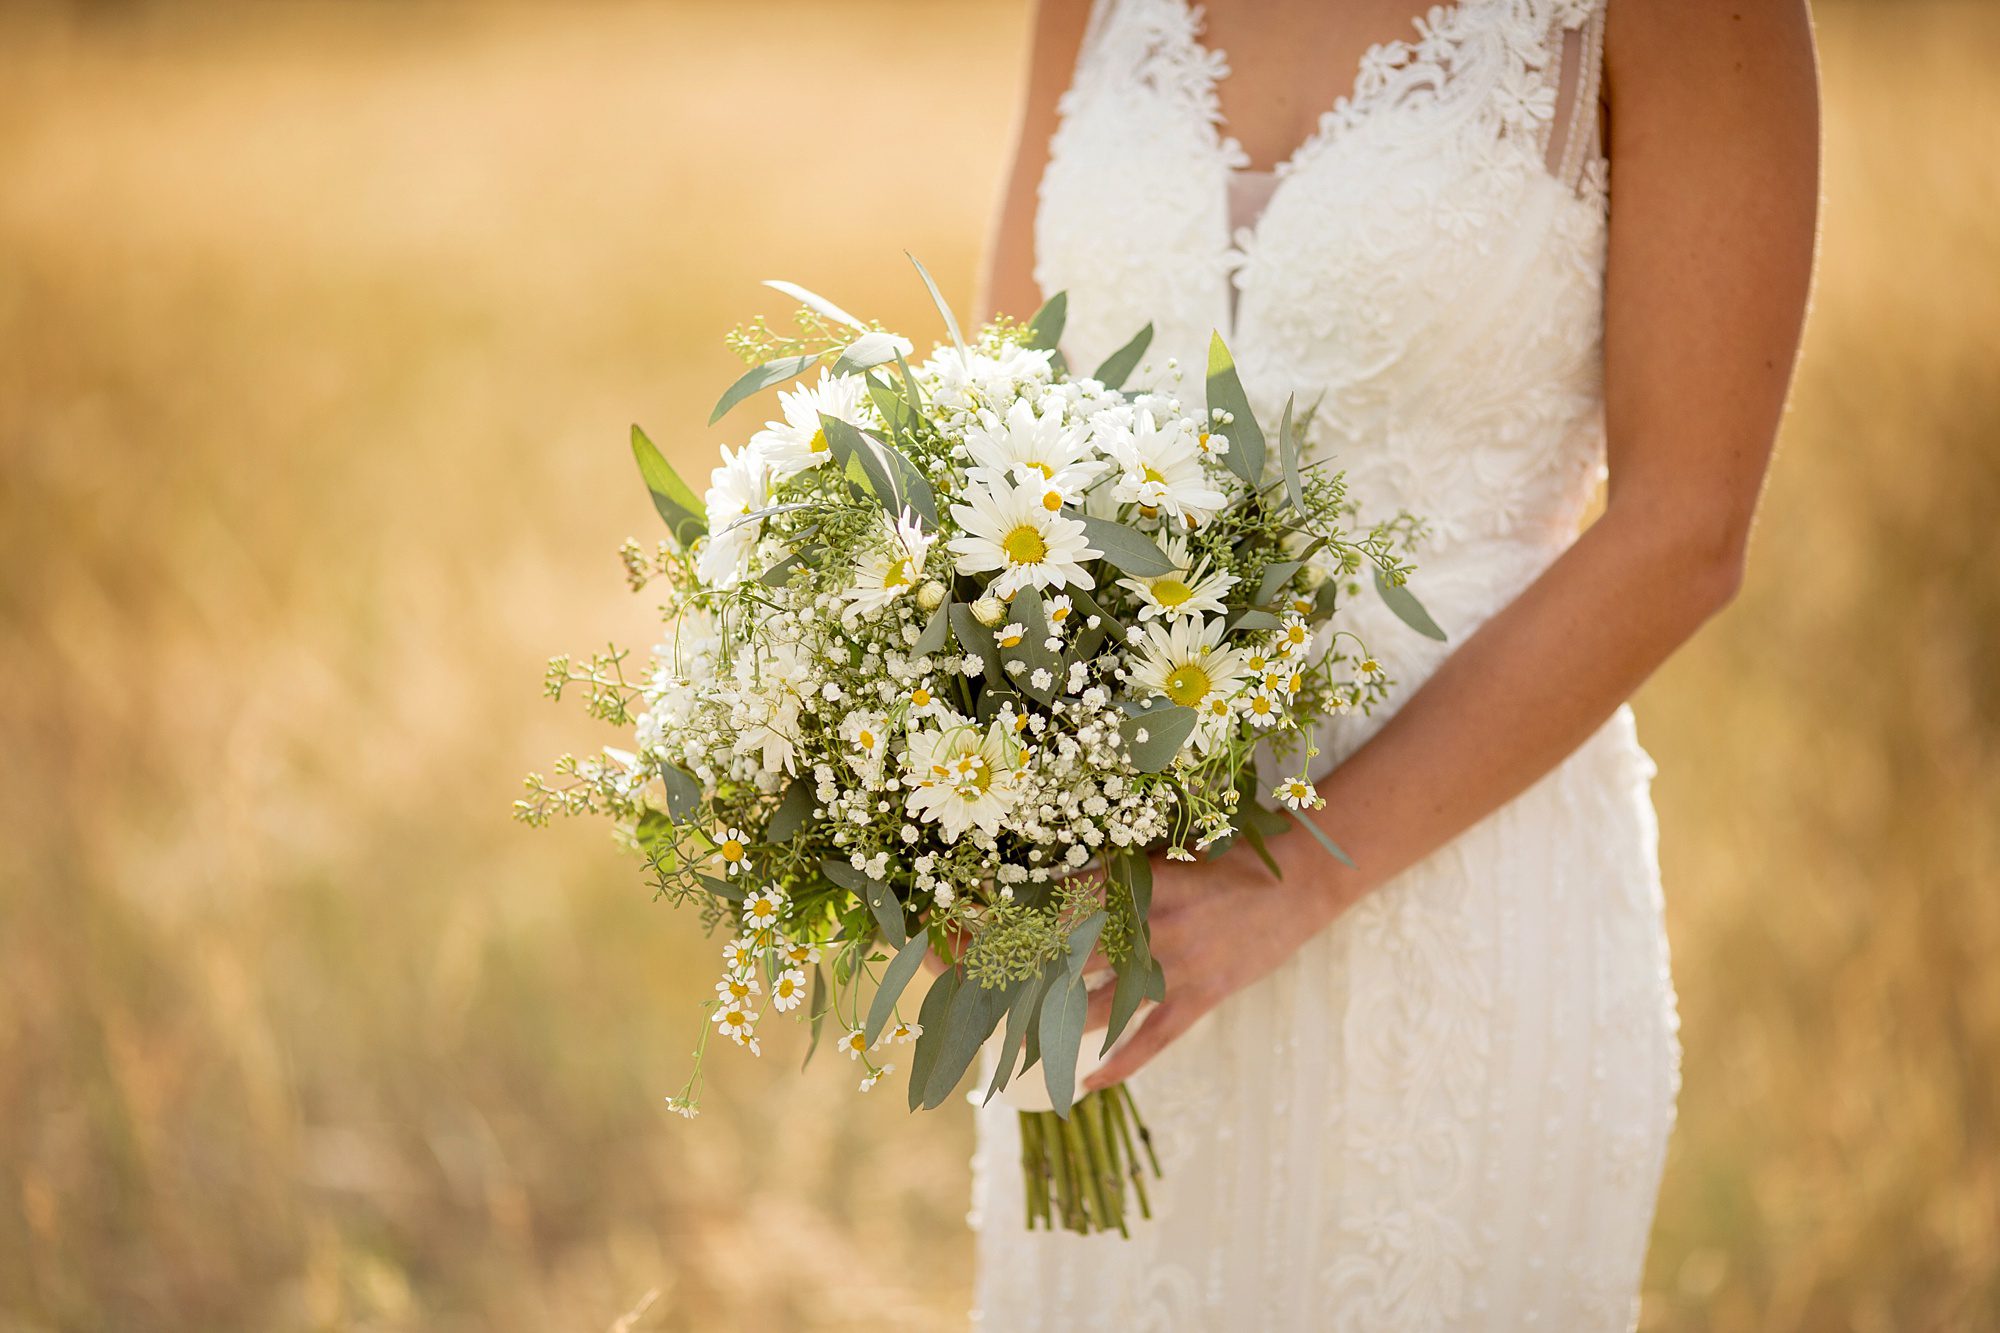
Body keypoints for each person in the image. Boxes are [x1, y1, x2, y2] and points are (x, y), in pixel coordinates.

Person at [968, 1, 1820, 1327]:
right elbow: (999, 410)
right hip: (1107, 905)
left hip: (1459, 913)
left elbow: (1685, 527)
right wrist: (954, 782)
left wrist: (1295, 871)